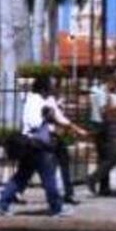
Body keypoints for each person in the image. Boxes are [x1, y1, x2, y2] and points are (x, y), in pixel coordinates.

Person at [26, 77, 88, 205]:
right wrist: (76, 129)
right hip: (44, 138)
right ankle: (54, 196)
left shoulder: (50, 99)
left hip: (53, 137)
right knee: (44, 167)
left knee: (63, 163)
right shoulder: (38, 101)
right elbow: (56, 119)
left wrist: (72, 128)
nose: (53, 88)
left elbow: (60, 117)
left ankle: (67, 193)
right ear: (44, 88)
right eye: (51, 85)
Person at [86, 73, 116, 197]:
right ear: (111, 83)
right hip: (102, 126)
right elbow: (104, 111)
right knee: (113, 156)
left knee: (104, 157)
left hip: (96, 125)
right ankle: (93, 179)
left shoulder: (95, 90)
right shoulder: (102, 93)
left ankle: (104, 188)